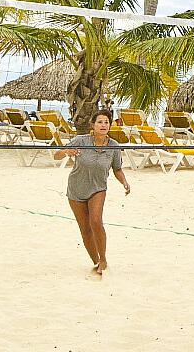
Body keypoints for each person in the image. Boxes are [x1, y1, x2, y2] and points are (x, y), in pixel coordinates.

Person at [54, 109, 130, 275]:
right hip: (76, 188)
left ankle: (103, 259)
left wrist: (124, 182)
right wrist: (67, 152)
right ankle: (95, 261)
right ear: (93, 125)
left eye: (106, 122)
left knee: (95, 221)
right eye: (100, 122)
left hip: (98, 188)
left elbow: (117, 169)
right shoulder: (80, 140)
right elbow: (56, 155)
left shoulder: (114, 146)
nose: (103, 125)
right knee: (85, 229)